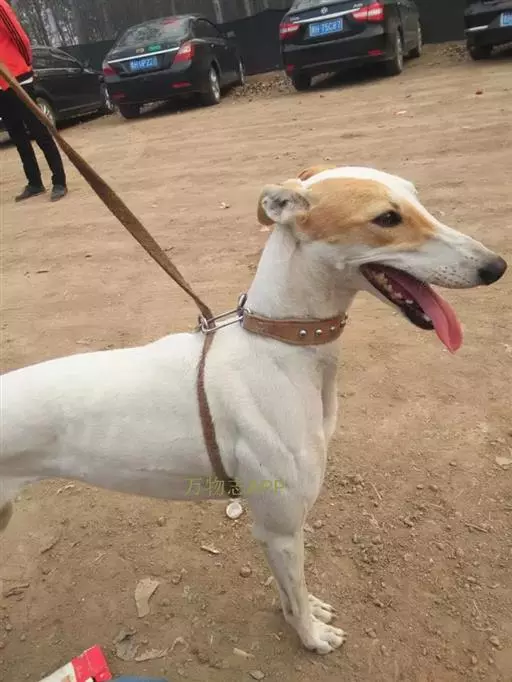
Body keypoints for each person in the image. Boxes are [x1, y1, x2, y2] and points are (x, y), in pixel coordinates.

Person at [0, 0, 67, 201]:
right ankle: (35, 183)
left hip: (17, 76)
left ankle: (59, 181)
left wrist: (26, 63)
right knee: (17, 135)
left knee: (38, 130)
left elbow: (20, 37)